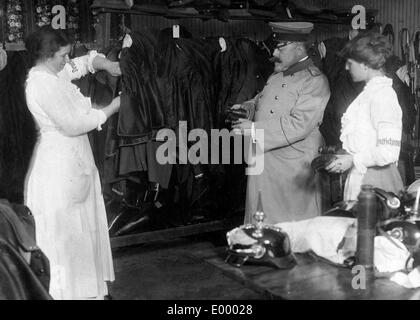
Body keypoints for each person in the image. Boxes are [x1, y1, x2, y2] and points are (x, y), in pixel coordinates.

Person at [23, 26, 121, 300]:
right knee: (68, 234)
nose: (67, 61)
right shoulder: (41, 83)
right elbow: (74, 124)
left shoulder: (55, 73)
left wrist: (107, 64)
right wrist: (112, 108)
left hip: (74, 161)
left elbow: (83, 63)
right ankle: (70, 294)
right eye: (63, 56)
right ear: (46, 55)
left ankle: (86, 291)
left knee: (79, 229)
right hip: (58, 165)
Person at [232, 22, 331, 224]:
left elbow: (300, 123)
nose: (275, 51)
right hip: (265, 157)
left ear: (297, 47)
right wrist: (246, 108)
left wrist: (253, 129)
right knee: (261, 216)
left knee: (293, 222)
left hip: (293, 163)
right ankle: (262, 250)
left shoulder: (315, 81)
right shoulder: (277, 75)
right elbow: (261, 100)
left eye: (280, 46)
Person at [325, 33, 404, 201]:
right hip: (363, 179)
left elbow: (389, 152)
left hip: (377, 183)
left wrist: (352, 160)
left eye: (350, 63)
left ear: (365, 65)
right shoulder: (368, 94)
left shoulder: (383, 96)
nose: (346, 68)